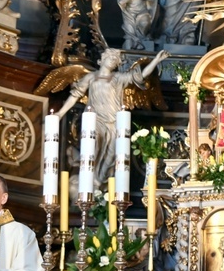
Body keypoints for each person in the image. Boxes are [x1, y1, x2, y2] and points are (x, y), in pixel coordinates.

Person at [56, 48, 170, 184]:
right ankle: (88, 182)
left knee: (111, 154)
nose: (113, 61)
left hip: (114, 121)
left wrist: (156, 60)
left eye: (115, 60)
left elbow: (140, 76)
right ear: (102, 59)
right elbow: (75, 95)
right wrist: (60, 113)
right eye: (110, 58)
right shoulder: (90, 77)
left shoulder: (118, 78)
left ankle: (100, 182)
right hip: (94, 120)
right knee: (92, 148)